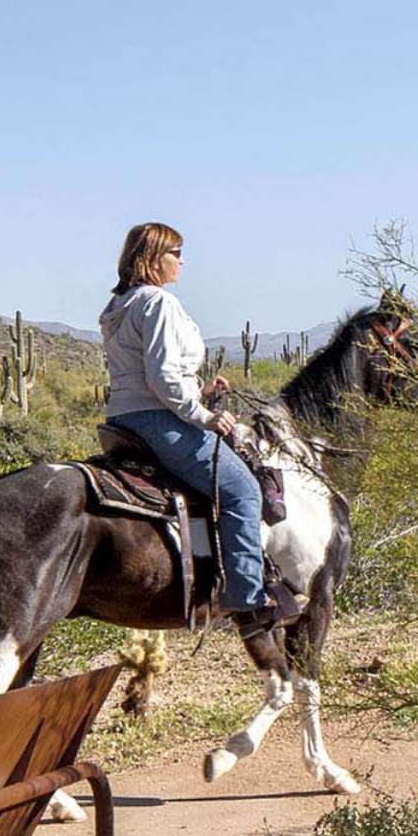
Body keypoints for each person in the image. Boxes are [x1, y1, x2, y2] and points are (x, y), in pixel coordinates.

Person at [100, 221, 299, 633]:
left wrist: (199, 391)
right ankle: (247, 597)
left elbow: (148, 376)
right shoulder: (157, 302)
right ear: (153, 259)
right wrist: (204, 415)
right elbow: (161, 377)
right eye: (175, 253)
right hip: (158, 420)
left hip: (124, 417)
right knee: (241, 489)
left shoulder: (118, 307)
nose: (182, 261)